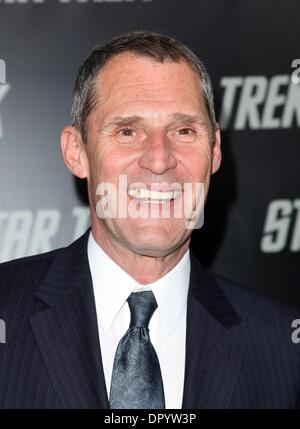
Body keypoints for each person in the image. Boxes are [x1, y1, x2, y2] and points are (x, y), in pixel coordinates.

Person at [0, 30, 300, 409]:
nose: (159, 160)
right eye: (128, 131)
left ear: (215, 151)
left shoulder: (283, 349)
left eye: (184, 130)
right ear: (76, 152)